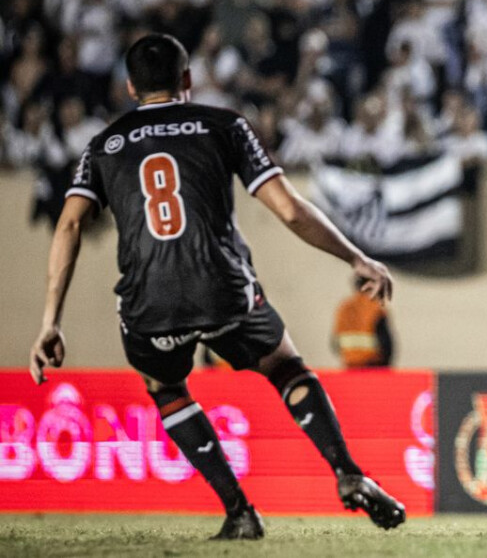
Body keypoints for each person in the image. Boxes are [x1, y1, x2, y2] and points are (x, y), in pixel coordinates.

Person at [27, 34, 406, 540]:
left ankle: (239, 511)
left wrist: (50, 321)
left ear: (130, 86)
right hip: (222, 288)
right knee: (285, 365)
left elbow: (70, 226)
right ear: (187, 79)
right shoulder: (223, 124)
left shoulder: (104, 145)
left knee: (165, 387)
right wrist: (356, 257)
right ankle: (347, 471)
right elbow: (290, 209)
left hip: (149, 302)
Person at [332, 276, 395, 368]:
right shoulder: (375, 307)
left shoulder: (344, 307)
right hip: (373, 365)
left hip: (350, 365)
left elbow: (334, 343)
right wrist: (386, 364)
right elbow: (386, 342)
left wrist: (351, 355)